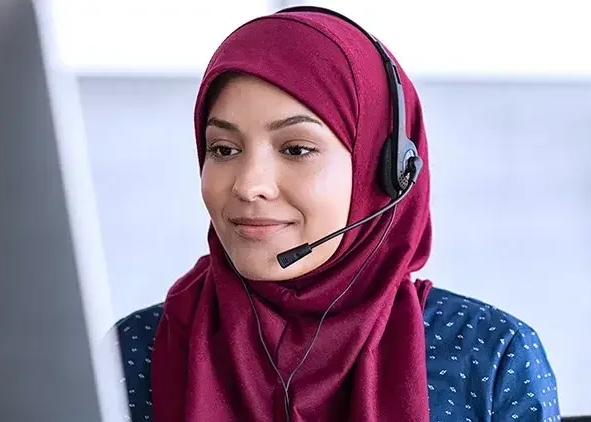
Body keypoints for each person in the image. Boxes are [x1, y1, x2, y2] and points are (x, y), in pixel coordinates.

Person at [107, 6, 561, 422]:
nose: (248, 185)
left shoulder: (488, 358)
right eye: (223, 149)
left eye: (296, 149)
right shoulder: (131, 354)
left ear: (383, 173)